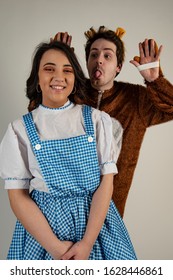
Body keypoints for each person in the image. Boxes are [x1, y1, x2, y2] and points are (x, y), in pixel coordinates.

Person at [0, 40, 137, 260]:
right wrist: (56, 249)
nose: (58, 77)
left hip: (97, 231)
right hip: (44, 236)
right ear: (37, 77)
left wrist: (87, 243)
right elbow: (17, 196)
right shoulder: (19, 130)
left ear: (75, 79)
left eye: (67, 70)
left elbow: (106, 183)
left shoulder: (96, 120)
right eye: (49, 69)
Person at [53, 26, 173, 217]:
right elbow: (36, 111)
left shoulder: (136, 99)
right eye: (93, 55)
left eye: (107, 56)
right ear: (86, 62)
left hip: (110, 213)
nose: (99, 59)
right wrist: (56, 67)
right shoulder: (71, 91)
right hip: (65, 208)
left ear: (118, 67)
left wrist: (155, 81)